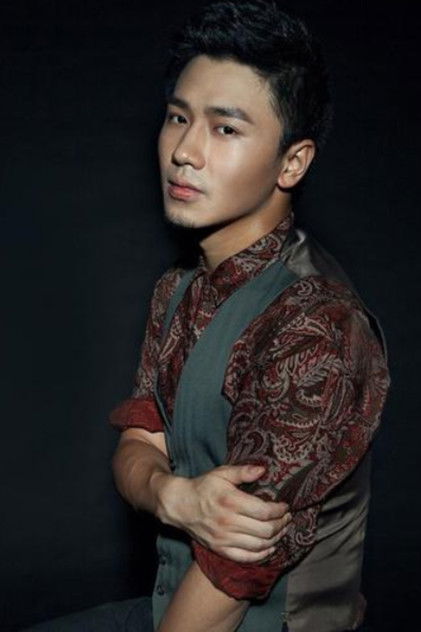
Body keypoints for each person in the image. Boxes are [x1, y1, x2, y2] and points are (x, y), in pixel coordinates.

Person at [23, 1, 390, 631]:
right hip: (170, 604)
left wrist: (171, 494)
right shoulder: (178, 288)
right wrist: (175, 496)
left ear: (292, 162)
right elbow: (138, 446)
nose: (184, 151)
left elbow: (233, 574)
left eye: (225, 129)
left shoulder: (317, 325)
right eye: (178, 118)